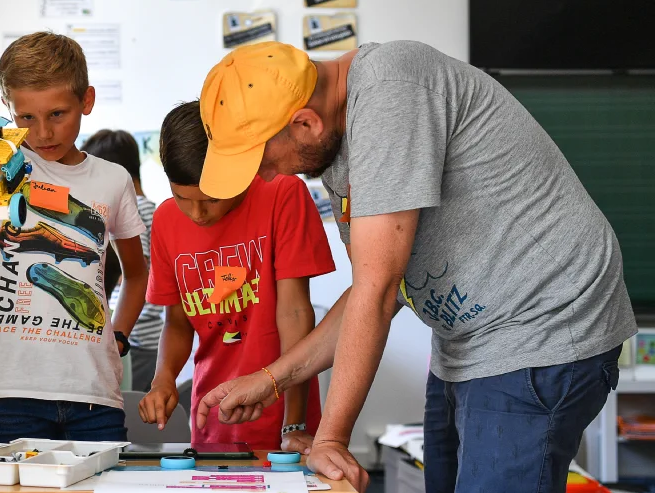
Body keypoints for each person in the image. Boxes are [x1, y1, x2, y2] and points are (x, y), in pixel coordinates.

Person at [192, 41, 638, 492]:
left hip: (540, 329)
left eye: (265, 162)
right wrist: (271, 380)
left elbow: (378, 291)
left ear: (305, 122)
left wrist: (331, 437)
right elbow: (378, 288)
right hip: (467, 341)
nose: (269, 177)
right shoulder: (341, 135)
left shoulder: (390, 94)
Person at [0, 32, 148, 443]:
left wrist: (118, 334)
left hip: (93, 394)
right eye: (26, 118)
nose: (43, 133)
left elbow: (137, 273)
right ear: (9, 110)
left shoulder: (112, 179)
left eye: (58, 114)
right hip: (10, 391)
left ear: (87, 101)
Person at [138, 100, 335, 452]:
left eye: (211, 199)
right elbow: (179, 323)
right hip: (211, 419)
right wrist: (163, 379)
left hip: (285, 417)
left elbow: (295, 313)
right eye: (182, 197)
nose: (197, 213)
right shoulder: (167, 220)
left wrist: (295, 423)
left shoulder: (282, 193)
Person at [81, 129, 164, 392]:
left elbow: (137, 271)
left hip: (135, 338)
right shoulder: (151, 207)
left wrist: (119, 333)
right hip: (144, 338)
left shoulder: (136, 209)